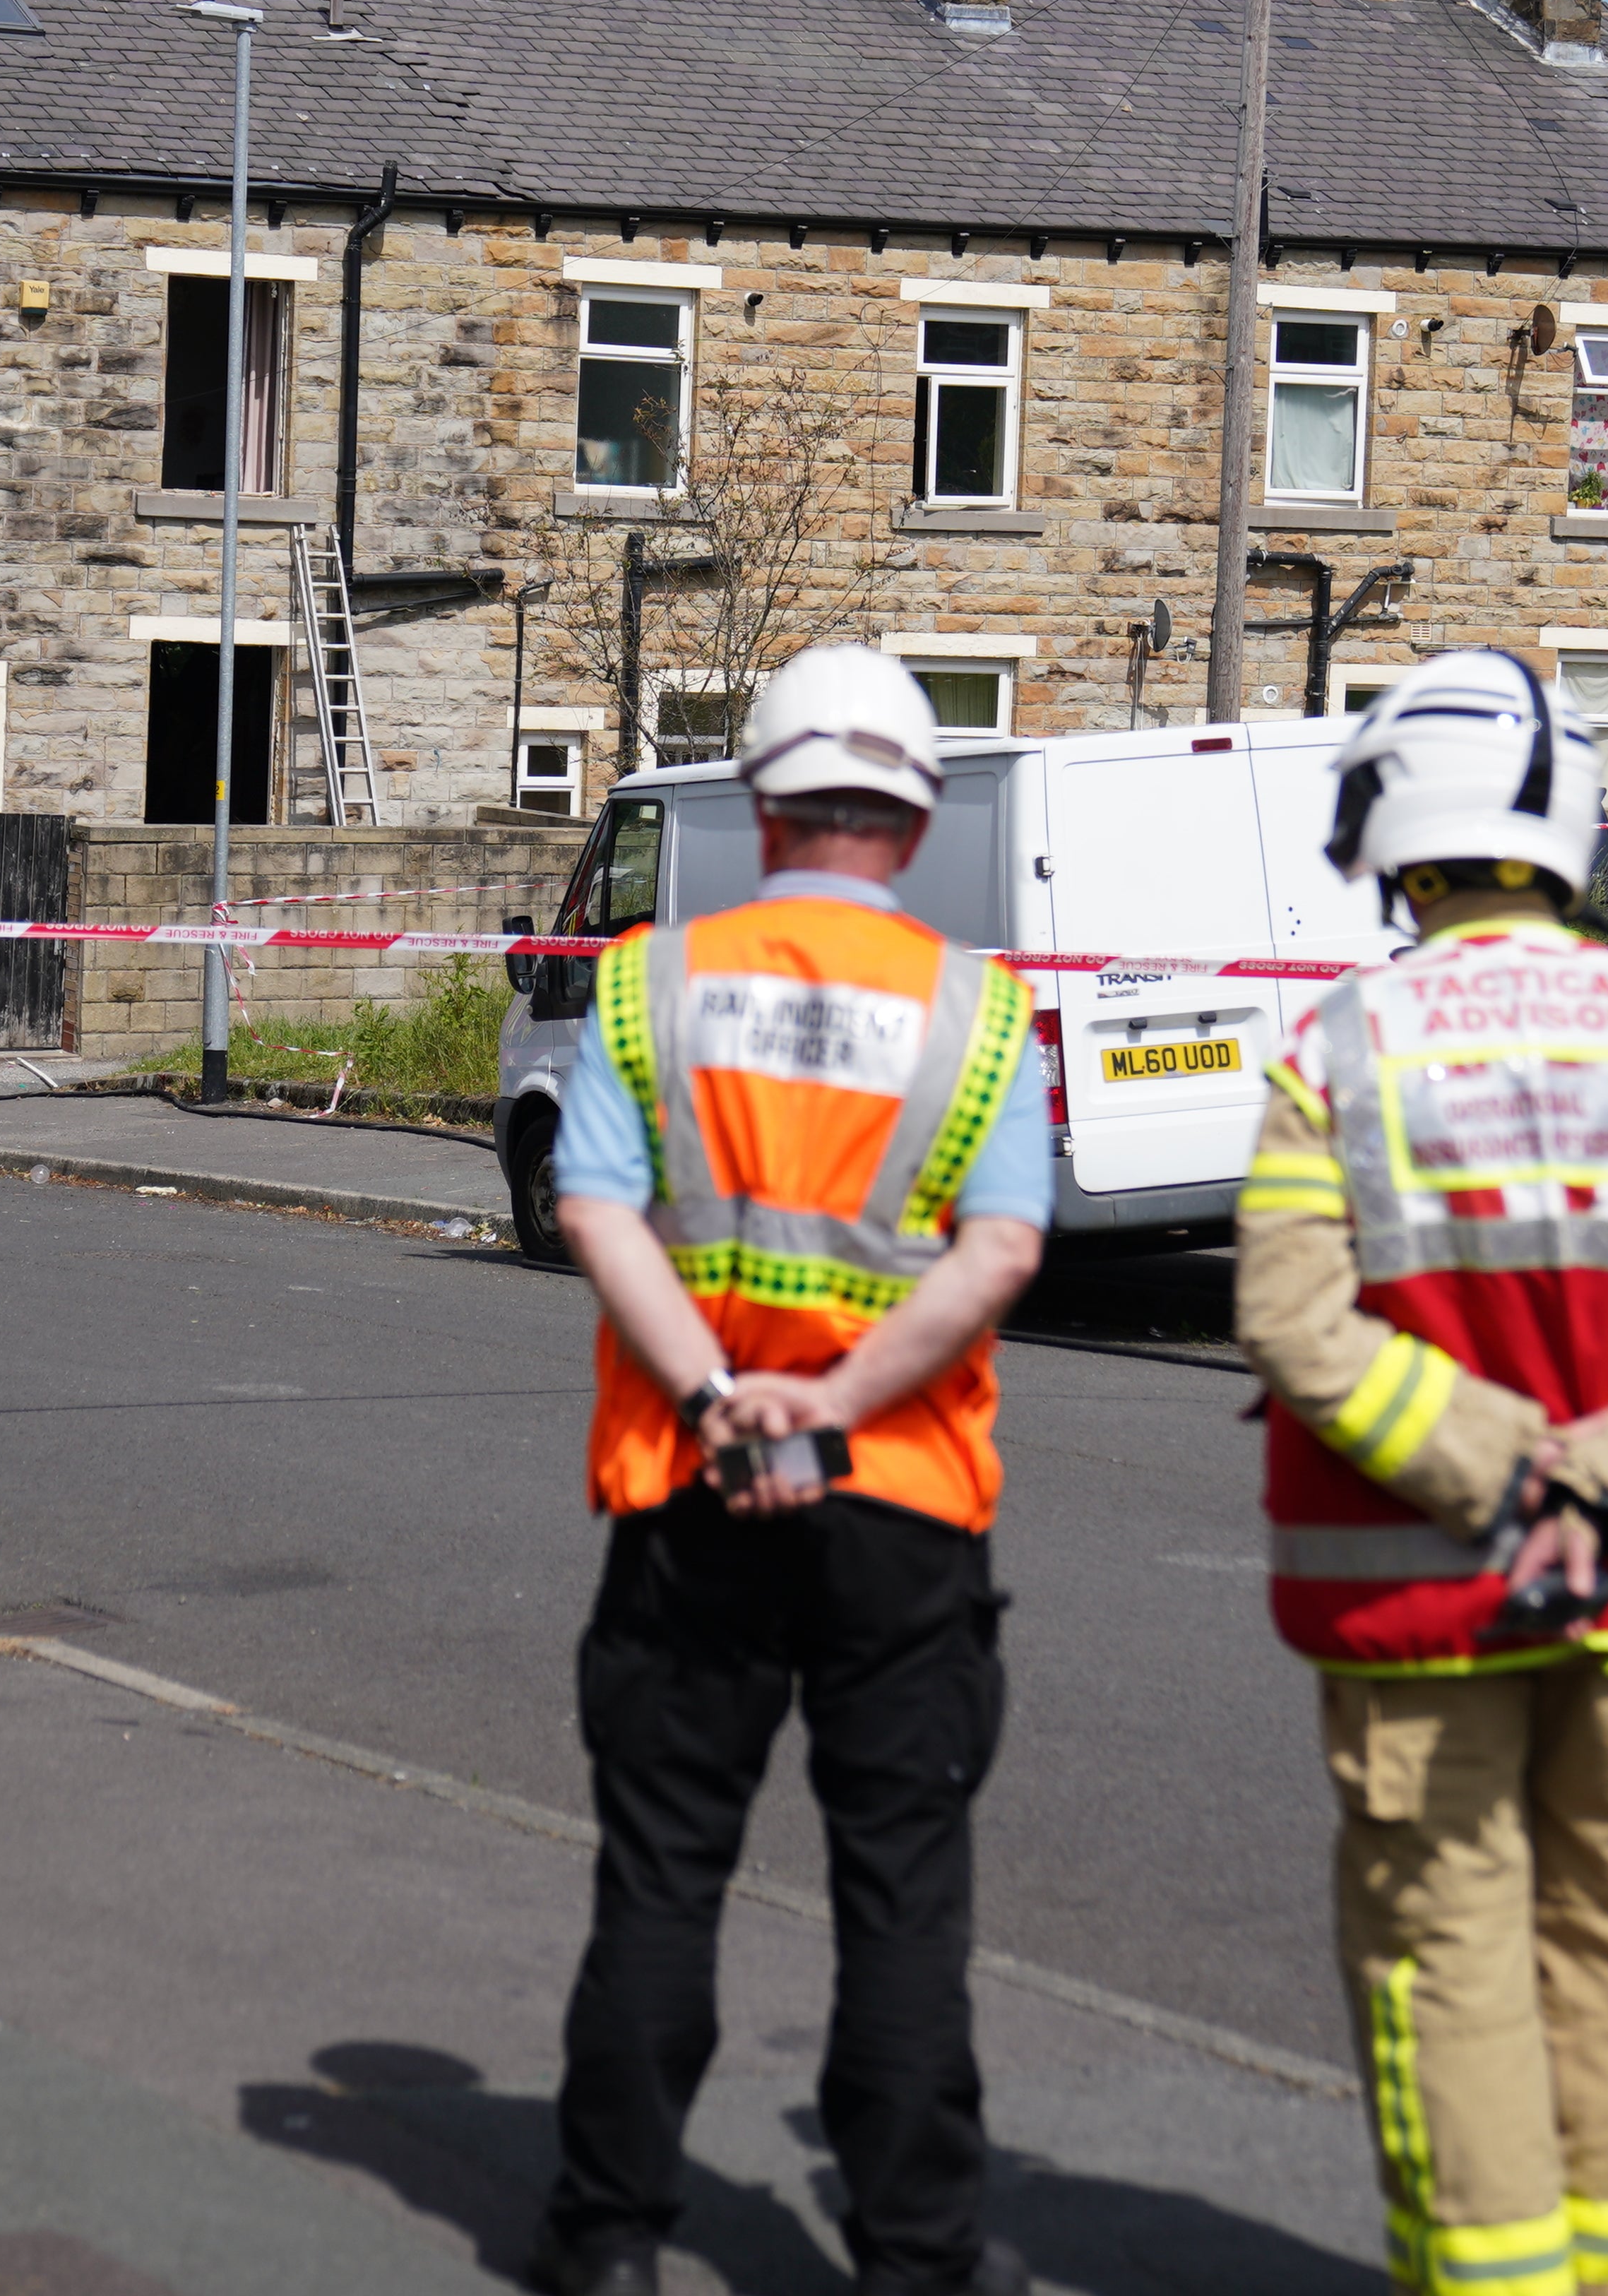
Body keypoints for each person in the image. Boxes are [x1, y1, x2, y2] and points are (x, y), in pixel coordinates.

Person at [1228, 650, 1608, 2296]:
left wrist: (1495, 1467)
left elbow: (1289, 1311)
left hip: (1419, 1602)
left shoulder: (1340, 1048)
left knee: (1452, 1969)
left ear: (1394, 831)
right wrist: (1601, 1473)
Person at [526, 641, 1047, 2296]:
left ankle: (609, 2239)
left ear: (758, 804)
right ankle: (914, 2258)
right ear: (914, 814)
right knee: (901, 1899)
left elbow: (594, 1206)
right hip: (899, 1504)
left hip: (686, 1494)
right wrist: (827, 1412)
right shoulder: (981, 1013)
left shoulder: (648, 983)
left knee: (664, 1877)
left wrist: (717, 1392)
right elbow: (999, 1254)